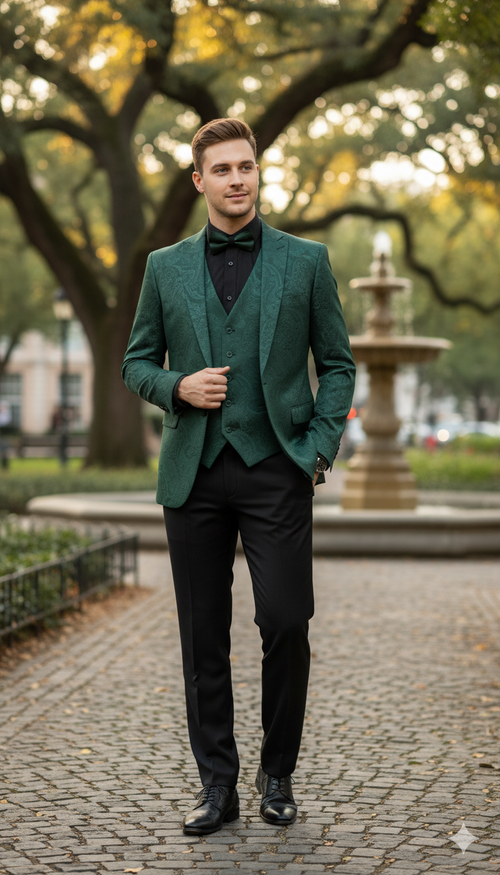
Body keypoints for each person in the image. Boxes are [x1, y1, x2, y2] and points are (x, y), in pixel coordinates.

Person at [122, 118, 356, 836]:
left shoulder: (306, 260)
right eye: (221, 169)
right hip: (192, 476)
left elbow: (338, 365)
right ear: (199, 181)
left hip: (276, 472)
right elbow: (136, 362)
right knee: (203, 636)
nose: (236, 179)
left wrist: (316, 447)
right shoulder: (163, 266)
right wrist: (177, 387)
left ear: (258, 173)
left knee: (287, 620)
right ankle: (216, 782)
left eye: (246, 167)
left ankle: (276, 771)